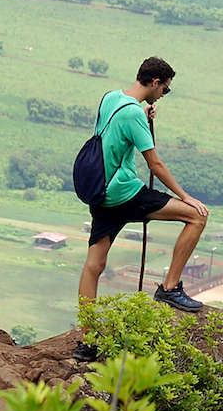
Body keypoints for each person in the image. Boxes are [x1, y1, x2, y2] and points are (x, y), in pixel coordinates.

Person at [75, 56, 210, 362]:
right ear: (154, 83)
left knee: (93, 265)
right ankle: (170, 287)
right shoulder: (134, 115)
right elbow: (155, 163)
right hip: (125, 193)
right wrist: (185, 196)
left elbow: (118, 128)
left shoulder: (110, 98)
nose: (163, 95)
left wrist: (144, 111)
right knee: (196, 217)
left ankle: (87, 341)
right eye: (165, 89)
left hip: (100, 192)